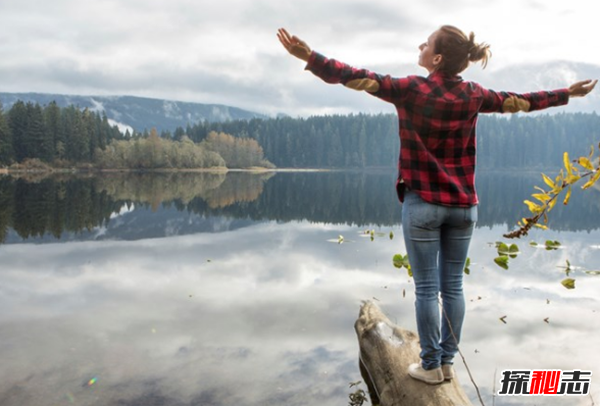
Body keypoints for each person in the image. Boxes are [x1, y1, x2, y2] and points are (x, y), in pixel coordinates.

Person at [277, 26, 597, 385]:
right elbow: (519, 102)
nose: (421, 46)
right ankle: (445, 363)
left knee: (427, 289)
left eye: (426, 44)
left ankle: (430, 365)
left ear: (438, 58)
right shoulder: (474, 94)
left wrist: (310, 58)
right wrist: (565, 93)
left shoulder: (411, 89)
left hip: (423, 203)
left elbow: (357, 78)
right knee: (454, 287)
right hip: (464, 207)